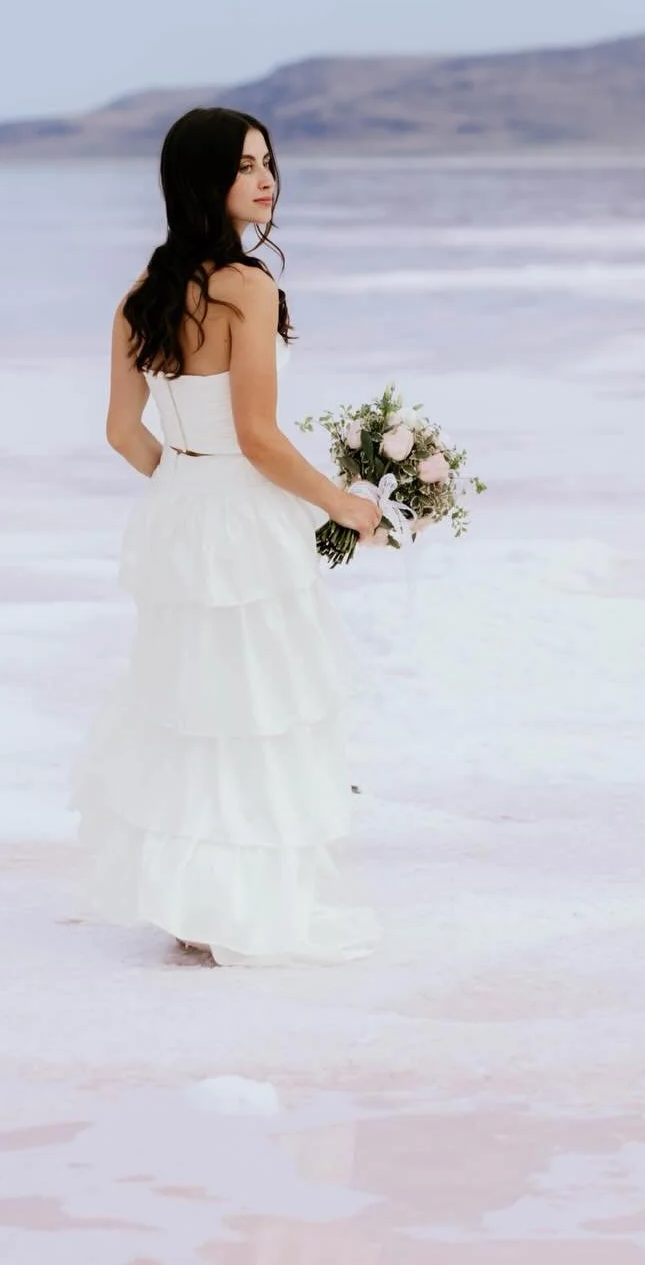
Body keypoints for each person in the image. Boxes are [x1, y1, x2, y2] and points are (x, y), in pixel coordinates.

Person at [70, 107, 382, 966]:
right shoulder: (249, 288)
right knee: (258, 706)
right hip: (245, 519)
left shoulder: (141, 296)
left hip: (180, 514)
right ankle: (240, 904)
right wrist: (343, 505)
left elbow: (123, 434)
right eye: (246, 165)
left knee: (189, 703)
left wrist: (183, 486)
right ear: (203, 181)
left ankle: (193, 907)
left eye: (269, 161)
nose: (266, 178)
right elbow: (262, 438)